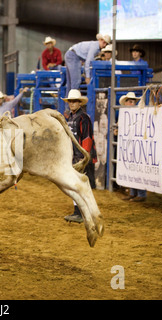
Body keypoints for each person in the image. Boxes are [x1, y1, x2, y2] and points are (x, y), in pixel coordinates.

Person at [61, 89, 96, 223]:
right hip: (75, 156)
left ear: (79, 103)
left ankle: (81, 212)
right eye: (70, 101)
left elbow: (87, 138)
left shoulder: (83, 118)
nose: (72, 103)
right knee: (75, 185)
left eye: (74, 101)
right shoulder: (71, 117)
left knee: (78, 185)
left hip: (81, 156)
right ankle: (81, 212)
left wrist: (84, 157)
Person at [119, 92, 147, 202]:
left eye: (133, 101)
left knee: (138, 167)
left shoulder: (139, 114)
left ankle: (141, 194)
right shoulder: (123, 114)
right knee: (130, 167)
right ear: (125, 103)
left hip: (138, 144)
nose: (131, 103)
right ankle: (132, 192)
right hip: (129, 145)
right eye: (129, 101)